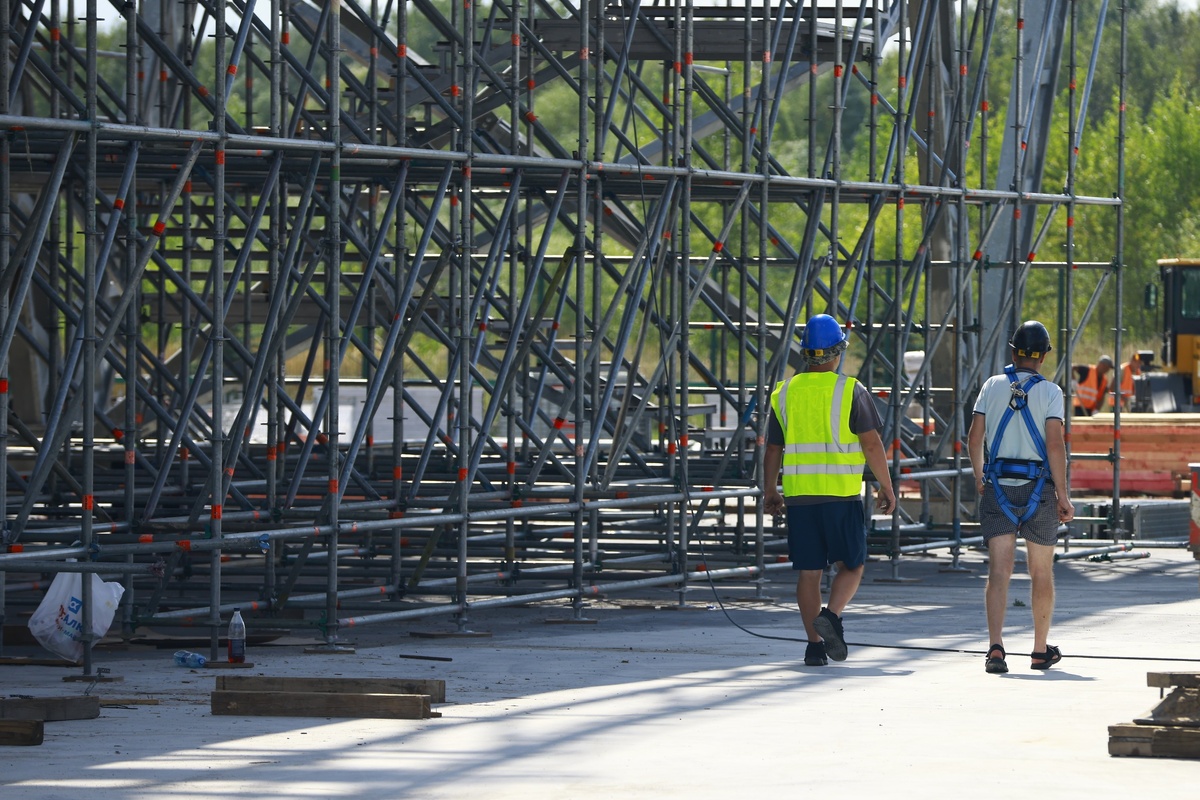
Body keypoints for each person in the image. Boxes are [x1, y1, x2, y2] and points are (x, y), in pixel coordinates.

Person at [762, 314, 897, 667]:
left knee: (809, 572)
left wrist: (769, 490)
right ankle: (833, 616)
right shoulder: (851, 390)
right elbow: (871, 443)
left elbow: (772, 448)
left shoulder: (784, 392)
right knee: (852, 565)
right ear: (838, 352)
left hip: (800, 497)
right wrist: (886, 485)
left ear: (805, 354)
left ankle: (814, 646)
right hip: (841, 495)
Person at [968, 320, 1074, 675]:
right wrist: (1063, 494)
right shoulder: (1051, 393)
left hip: (998, 485)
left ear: (1012, 351)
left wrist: (980, 474)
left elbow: (974, 436)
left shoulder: (992, 386)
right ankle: (1040, 651)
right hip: (1039, 490)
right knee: (1041, 572)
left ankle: (996, 649)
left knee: (999, 572)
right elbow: (1055, 445)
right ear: (1043, 356)